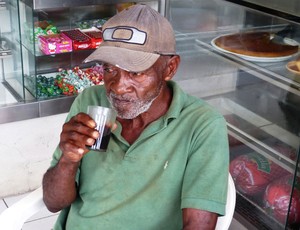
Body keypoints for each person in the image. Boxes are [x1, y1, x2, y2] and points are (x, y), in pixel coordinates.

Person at [42, 4, 229, 230]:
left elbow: (198, 225)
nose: (118, 88)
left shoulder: (202, 125)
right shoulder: (90, 101)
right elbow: (54, 203)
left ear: (170, 68)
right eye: (109, 69)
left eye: (136, 72)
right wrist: (68, 160)